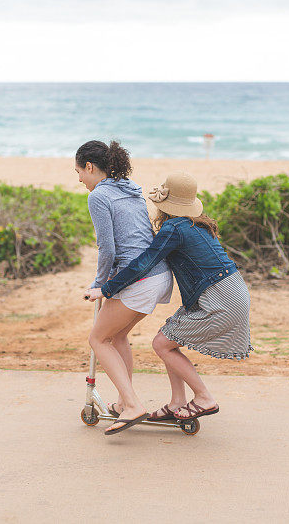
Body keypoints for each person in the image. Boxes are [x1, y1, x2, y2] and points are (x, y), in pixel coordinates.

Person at [86, 171, 252, 423]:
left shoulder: (173, 228)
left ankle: (204, 397)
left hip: (219, 296)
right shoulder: (196, 224)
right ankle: (177, 402)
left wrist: (106, 289)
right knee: (167, 340)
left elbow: (144, 263)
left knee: (162, 344)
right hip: (231, 289)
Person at [76, 140, 173, 435]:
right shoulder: (129, 187)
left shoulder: (99, 196)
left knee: (98, 339)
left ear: (90, 167)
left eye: (78, 171)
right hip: (158, 275)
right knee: (117, 337)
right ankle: (122, 401)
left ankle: (132, 404)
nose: (79, 179)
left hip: (139, 280)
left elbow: (107, 248)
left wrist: (100, 285)